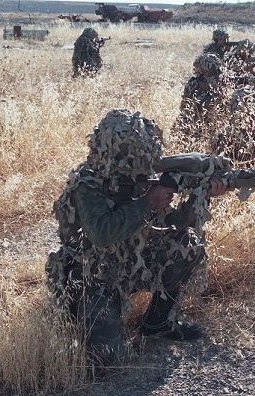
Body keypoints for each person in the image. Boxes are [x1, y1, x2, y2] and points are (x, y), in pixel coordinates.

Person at [46, 109, 228, 364]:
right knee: (107, 360)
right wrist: (147, 202)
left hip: (133, 262)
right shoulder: (87, 184)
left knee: (187, 243)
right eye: (134, 156)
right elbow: (101, 233)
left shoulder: (142, 179)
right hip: (92, 274)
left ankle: (158, 323)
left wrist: (201, 195)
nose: (143, 164)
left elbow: (173, 226)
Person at [173, 53, 229, 141]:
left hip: (207, 123)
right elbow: (199, 104)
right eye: (212, 71)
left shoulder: (218, 82)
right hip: (191, 123)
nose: (216, 74)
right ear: (203, 71)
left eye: (216, 70)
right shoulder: (194, 84)